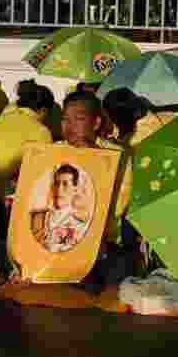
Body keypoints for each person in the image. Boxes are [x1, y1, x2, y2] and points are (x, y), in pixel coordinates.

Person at [56, 91, 134, 285]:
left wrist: (91, 156)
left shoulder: (115, 154)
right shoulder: (53, 151)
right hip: (60, 242)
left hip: (102, 244)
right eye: (65, 119)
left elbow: (120, 204)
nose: (70, 126)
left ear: (96, 123)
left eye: (79, 119)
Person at [0, 79, 54, 202]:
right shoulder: (41, 131)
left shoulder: (4, 118)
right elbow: (41, 173)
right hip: (2, 197)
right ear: (43, 110)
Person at [30, 163, 91, 253]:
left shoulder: (80, 222)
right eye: (57, 184)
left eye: (65, 184)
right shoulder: (38, 217)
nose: (59, 189)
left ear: (75, 189)